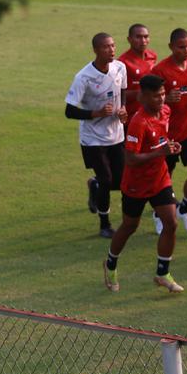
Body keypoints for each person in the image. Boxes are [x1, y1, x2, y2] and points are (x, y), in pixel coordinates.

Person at [104, 74, 185, 294]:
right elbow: (130, 158)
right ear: (144, 97)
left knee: (171, 222)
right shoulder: (138, 122)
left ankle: (162, 273)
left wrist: (171, 146)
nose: (161, 99)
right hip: (136, 185)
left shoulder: (166, 112)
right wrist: (159, 152)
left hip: (160, 179)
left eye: (162, 95)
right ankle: (110, 265)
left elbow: (161, 141)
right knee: (130, 226)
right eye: (156, 96)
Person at [65, 33, 128, 238]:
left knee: (120, 180)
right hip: (93, 139)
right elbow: (69, 111)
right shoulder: (83, 77)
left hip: (116, 135)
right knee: (107, 179)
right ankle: (105, 225)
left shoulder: (120, 67)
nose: (111, 50)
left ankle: (95, 185)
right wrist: (96, 113)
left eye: (113, 45)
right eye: (105, 47)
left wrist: (123, 109)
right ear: (95, 50)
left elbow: (123, 90)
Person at [151, 28, 187, 235]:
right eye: (181, 47)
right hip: (166, 131)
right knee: (165, 176)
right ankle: (159, 215)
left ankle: (183, 209)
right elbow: (147, 99)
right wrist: (165, 99)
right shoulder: (160, 70)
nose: (186, 50)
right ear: (171, 47)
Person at [118, 23, 158, 118]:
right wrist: (140, 93)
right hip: (131, 116)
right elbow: (117, 94)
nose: (143, 41)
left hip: (150, 114)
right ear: (129, 39)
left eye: (146, 37)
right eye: (138, 37)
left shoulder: (152, 56)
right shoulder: (122, 63)